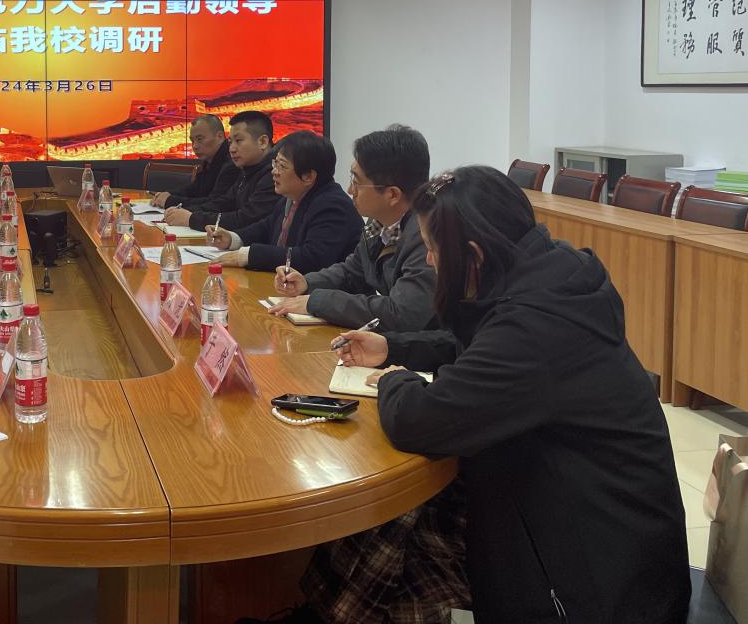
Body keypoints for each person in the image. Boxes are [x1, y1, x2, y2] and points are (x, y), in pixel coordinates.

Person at [292, 166, 691, 624]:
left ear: (474, 255)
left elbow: (418, 420)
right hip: (577, 510)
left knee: (396, 516)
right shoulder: (551, 273)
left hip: (598, 579)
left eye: (434, 249)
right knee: (399, 523)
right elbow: (481, 346)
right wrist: (393, 348)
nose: (429, 262)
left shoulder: (534, 328)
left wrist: (392, 380)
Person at [270, 124, 435, 332]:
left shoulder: (427, 236)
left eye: (357, 182)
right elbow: (353, 272)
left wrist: (318, 301)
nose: (349, 190)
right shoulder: (379, 222)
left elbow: (401, 313)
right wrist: (307, 283)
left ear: (392, 195)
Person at [209, 131, 362, 275]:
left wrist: (249, 255)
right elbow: (266, 227)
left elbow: (311, 258)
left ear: (308, 176)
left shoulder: (332, 206)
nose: (274, 171)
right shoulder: (292, 196)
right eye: (275, 164)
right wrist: (233, 238)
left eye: (282, 166)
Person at [161, 110, 277, 233]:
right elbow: (224, 203)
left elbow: (244, 218)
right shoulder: (248, 169)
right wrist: (186, 212)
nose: (232, 149)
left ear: (263, 142)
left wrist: (191, 218)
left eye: (238, 141)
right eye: (230, 142)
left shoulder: (275, 173)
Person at [150, 114, 239, 210]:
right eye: (192, 141)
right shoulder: (210, 159)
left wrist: (170, 201)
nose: (195, 146)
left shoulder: (232, 163)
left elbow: (215, 203)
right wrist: (169, 194)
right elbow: (194, 189)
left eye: (200, 139)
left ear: (220, 136)